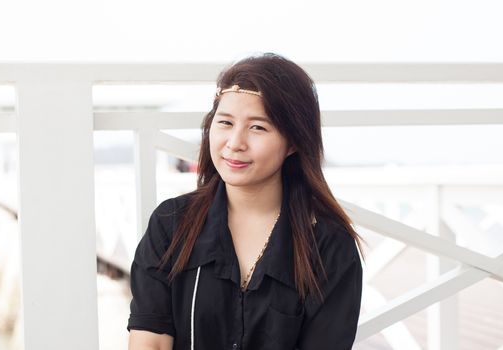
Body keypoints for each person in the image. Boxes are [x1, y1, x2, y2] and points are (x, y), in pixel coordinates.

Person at [127, 53, 365, 350]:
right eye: (225, 122)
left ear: (293, 142)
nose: (235, 143)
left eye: (258, 127)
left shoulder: (329, 245)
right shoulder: (171, 223)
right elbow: (151, 341)